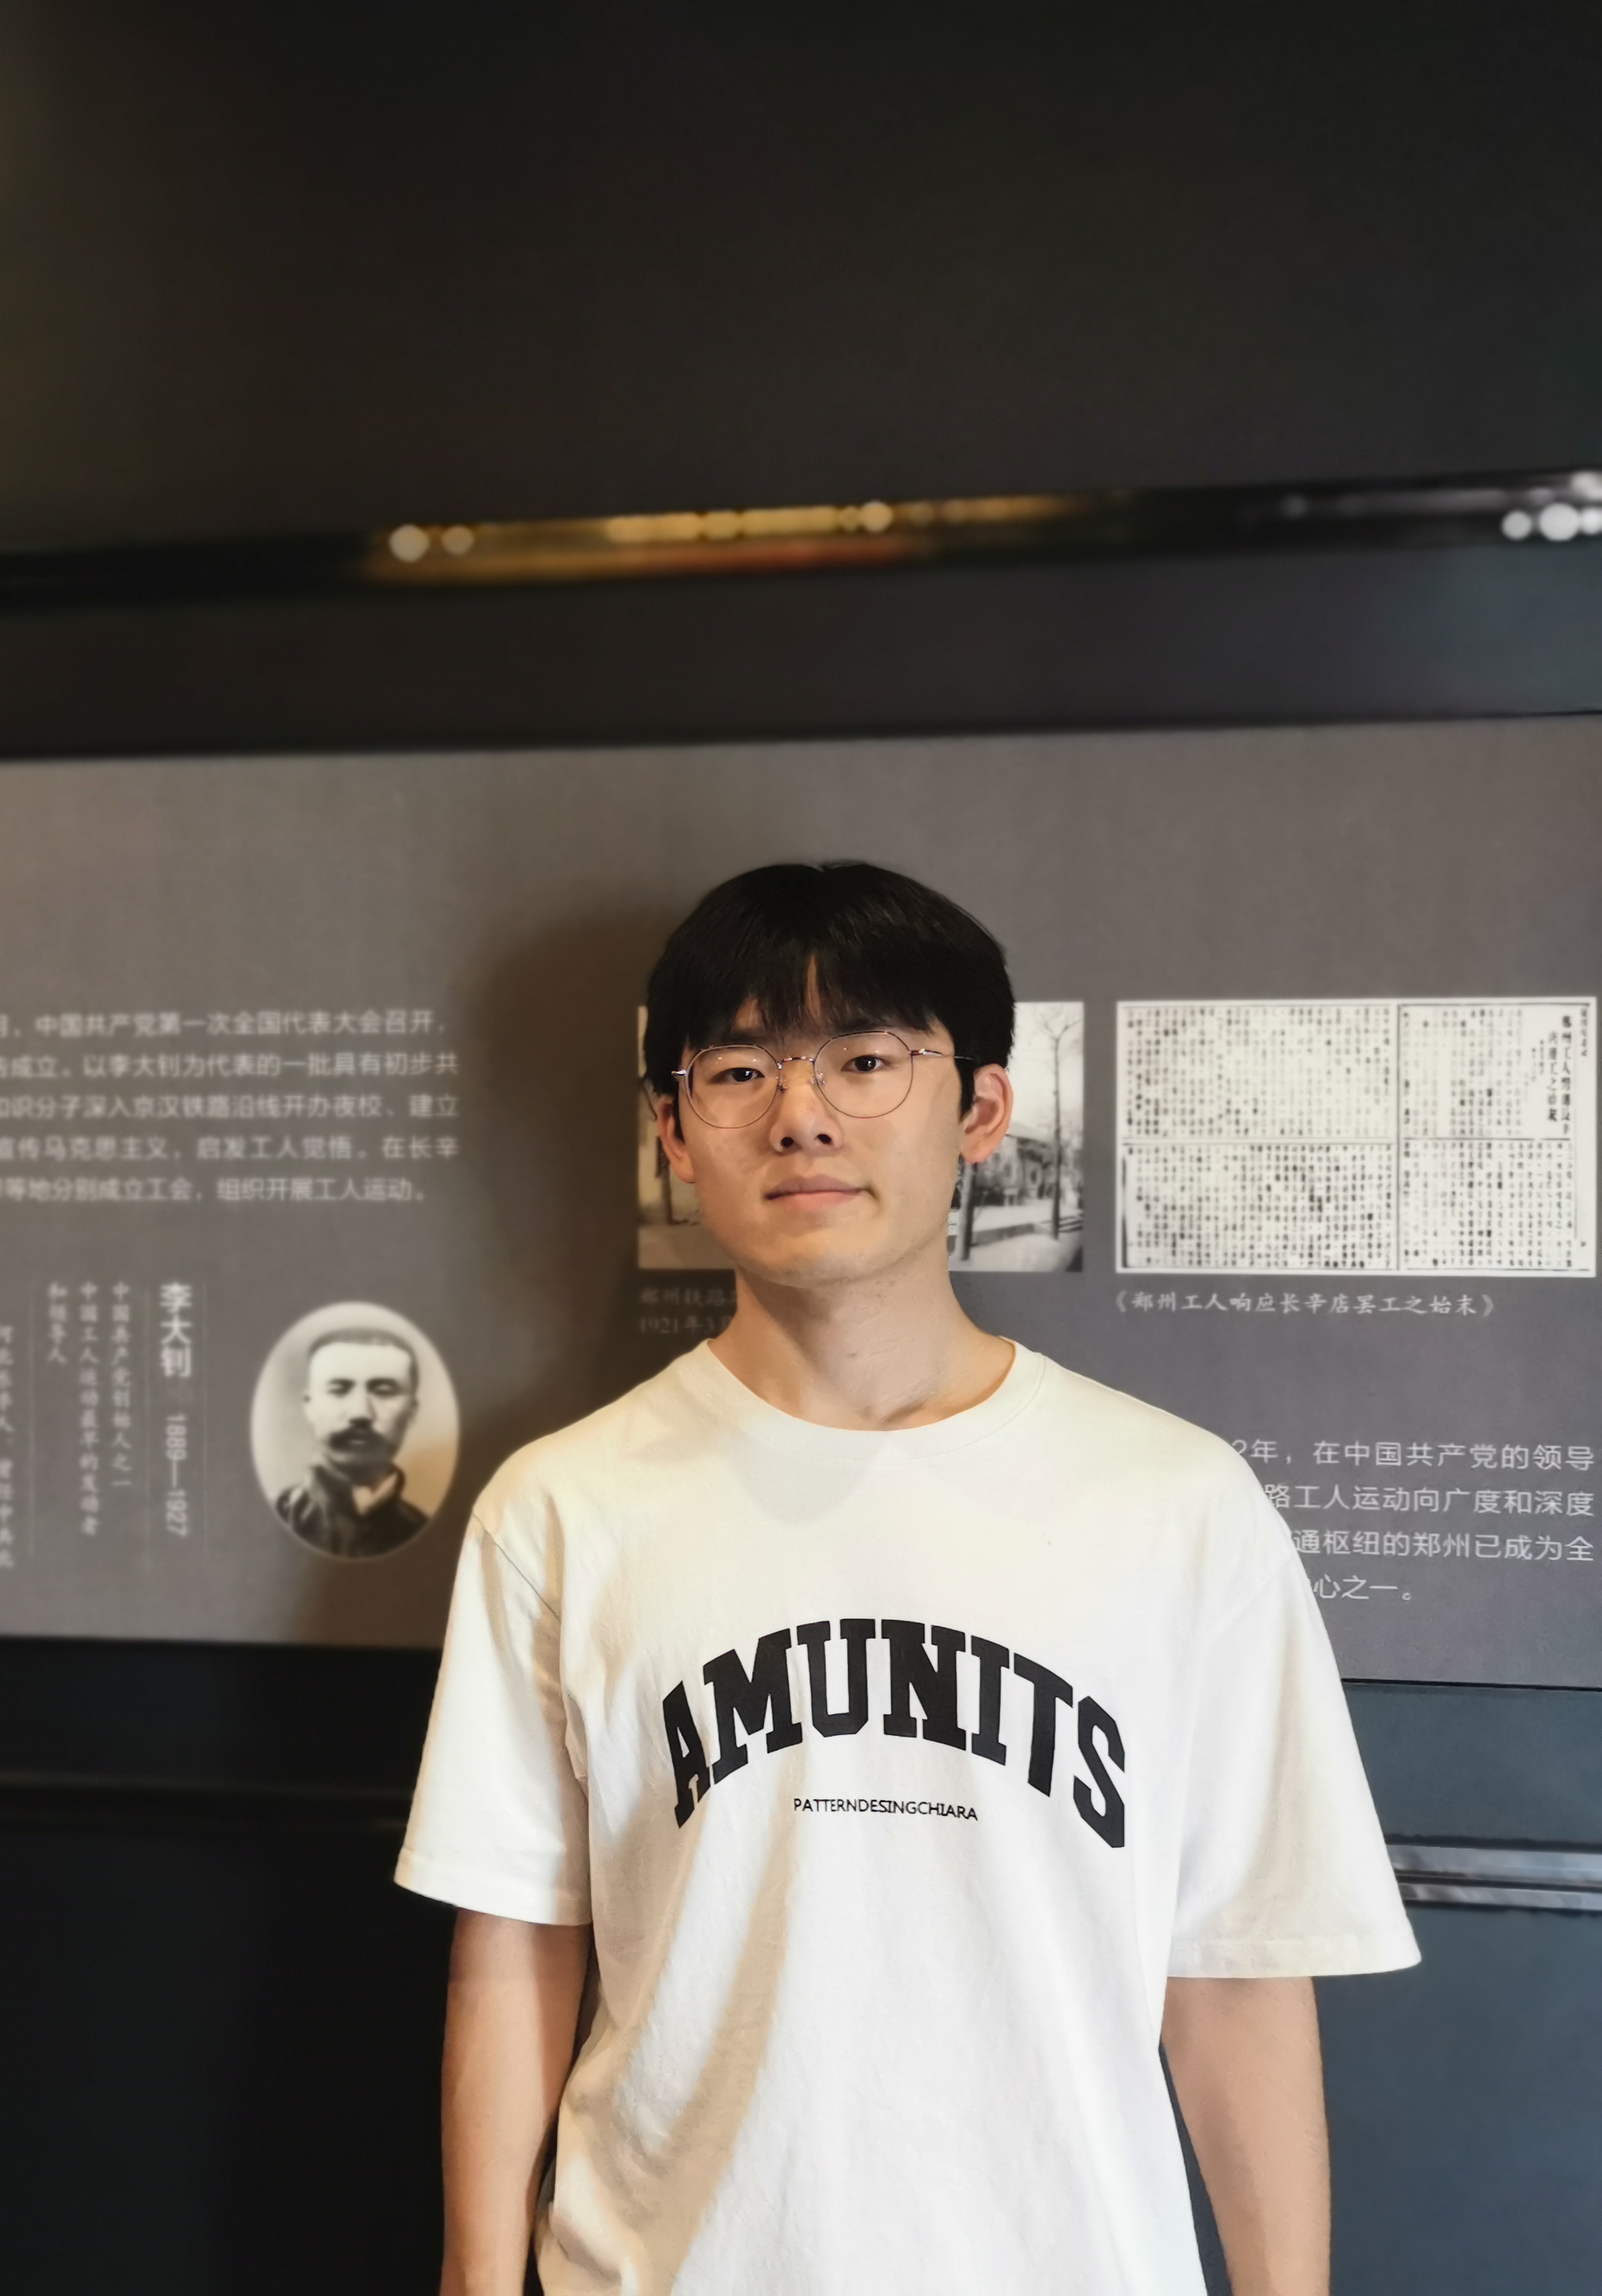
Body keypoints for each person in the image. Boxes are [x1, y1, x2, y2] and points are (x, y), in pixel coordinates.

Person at [400, 862, 1414, 2296]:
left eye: (866, 1060)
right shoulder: (564, 1507)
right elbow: (514, 1946)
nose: (800, 1114)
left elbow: (1236, 1969)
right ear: (673, 1130)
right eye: (738, 1069)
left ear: (981, 1109)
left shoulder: (1177, 1505)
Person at [272, 1327, 433, 1559]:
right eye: (339, 1391)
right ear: (310, 1406)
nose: (361, 1413)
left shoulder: (428, 1535)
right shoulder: (272, 1520)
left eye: (384, 1392)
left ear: (412, 1411)